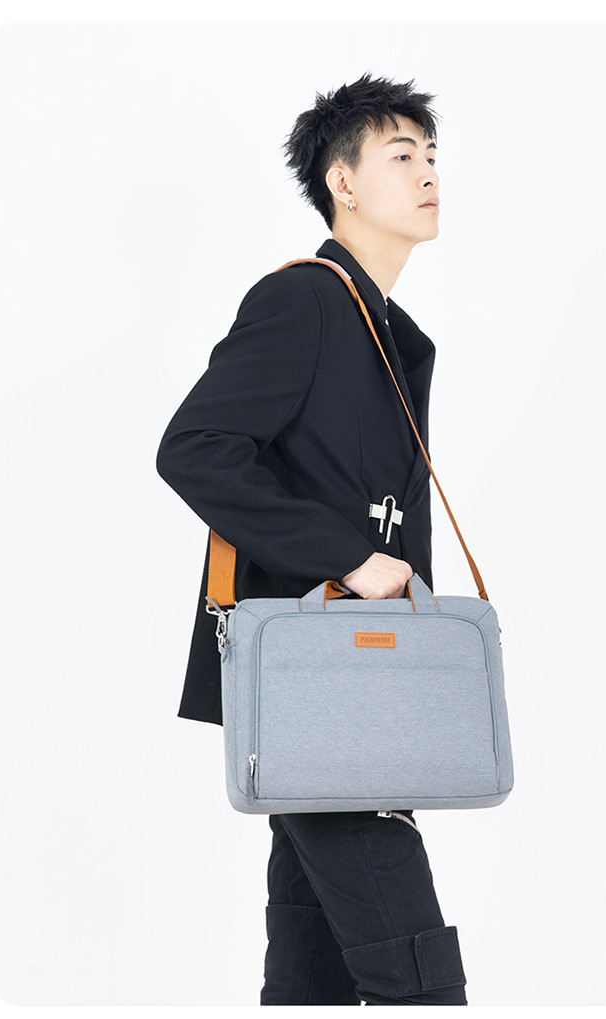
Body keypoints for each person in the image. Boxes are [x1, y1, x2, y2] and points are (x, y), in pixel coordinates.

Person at [156, 73, 468, 1006]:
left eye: (433, 155)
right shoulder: (305, 301)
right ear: (343, 182)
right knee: (413, 969)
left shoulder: (388, 332)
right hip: (316, 686)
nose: (428, 173)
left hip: (352, 685)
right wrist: (349, 557)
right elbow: (194, 448)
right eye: (401, 155)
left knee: (311, 967)